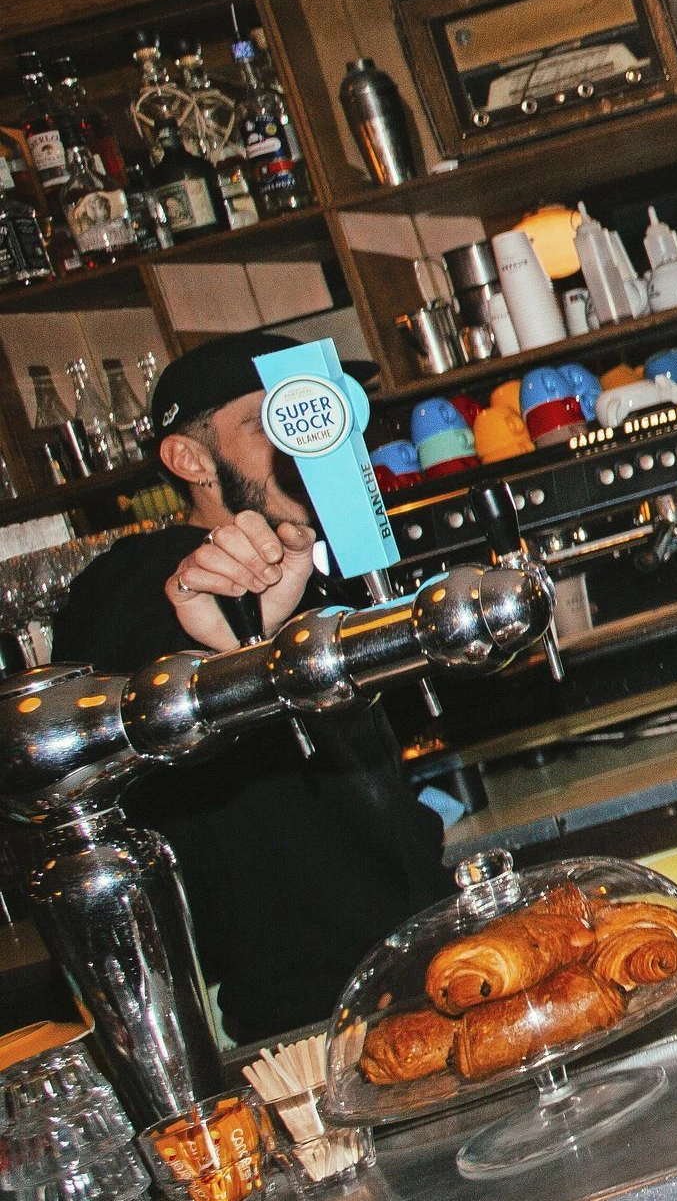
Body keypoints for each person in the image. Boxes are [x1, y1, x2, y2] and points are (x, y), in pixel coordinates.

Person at [51, 333, 450, 1042]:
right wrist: (215, 631)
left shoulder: (311, 574)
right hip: (308, 1024)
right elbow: (132, 663)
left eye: (322, 414)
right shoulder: (140, 578)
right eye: (275, 421)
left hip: (419, 976)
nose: (310, 443)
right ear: (189, 458)